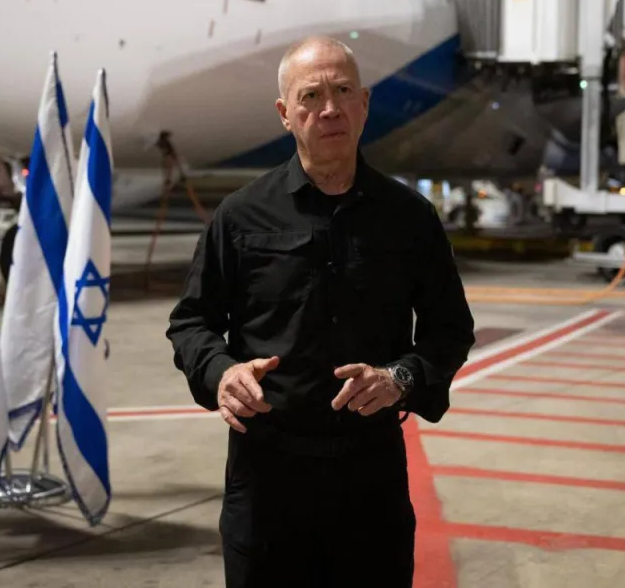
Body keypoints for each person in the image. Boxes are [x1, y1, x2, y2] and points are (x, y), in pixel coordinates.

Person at [166, 36, 476, 587]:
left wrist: (401, 378)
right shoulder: (240, 217)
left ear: (364, 104)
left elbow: (450, 330)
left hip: (370, 478)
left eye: (343, 91)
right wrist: (221, 373)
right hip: (267, 480)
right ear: (285, 114)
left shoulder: (410, 219)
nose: (329, 108)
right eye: (310, 95)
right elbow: (192, 323)